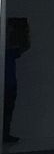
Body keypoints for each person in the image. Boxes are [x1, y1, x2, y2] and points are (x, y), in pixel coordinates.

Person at [3, 16, 30, 144]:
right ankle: (4, 134)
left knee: (8, 111)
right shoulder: (7, 51)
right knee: (6, 110)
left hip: (9, 84)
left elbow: (24, 47)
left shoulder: (9, 51)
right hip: (8, 84)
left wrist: (21, 30)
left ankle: (5, 134)